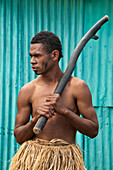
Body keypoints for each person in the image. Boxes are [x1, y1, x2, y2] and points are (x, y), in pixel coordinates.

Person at [9, 31, 99, 170]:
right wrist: (35, 119)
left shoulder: (78, 87)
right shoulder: (27, 90)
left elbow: (93, 130)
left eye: (37, 56)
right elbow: (19, 137)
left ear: (54, 55)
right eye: (31, 56)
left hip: (66, 161)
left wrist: (64, 111)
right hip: (34, 160)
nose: (32, 61)